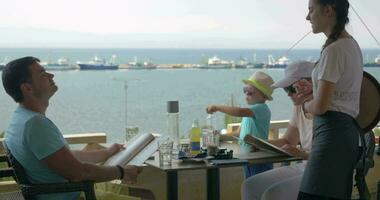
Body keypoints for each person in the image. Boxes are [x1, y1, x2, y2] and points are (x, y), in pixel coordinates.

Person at [2, 57, 143, 200]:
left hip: (63, 191)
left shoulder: (20, 118)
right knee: (146, 196)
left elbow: (64, 158)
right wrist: (122, 172)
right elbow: (78, 173)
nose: (51, 75)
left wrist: (107, 152)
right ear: (27, 88)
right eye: (43, 74)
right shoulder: (35, 125)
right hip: (71, 195)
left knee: (143, 193)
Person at [296, 0, 363, 199]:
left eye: (310, 10)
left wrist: (304, 106)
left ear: (328, 10)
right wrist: (315, 87)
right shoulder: (352, 45)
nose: (308, 17)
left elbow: (322, 106)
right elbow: (342, 90)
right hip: (346, 138)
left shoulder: (333, 50)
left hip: (331, 140)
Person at [241, 61, 315, 200]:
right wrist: (260, 143)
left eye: (292, 89)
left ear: (309, 85)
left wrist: (301, 153)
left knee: (272, 195)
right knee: (250, 185)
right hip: (305, 166)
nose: (289, 95)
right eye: (286, 90)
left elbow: (332, 156)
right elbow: (288, 141)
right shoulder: (299, 107)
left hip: (322, 171)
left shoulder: (327, 109)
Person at [206, 71, 274, 178]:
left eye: (250, 92)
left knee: (258, 187)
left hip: (260, 158)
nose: (246, 95)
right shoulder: (250, 112)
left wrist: (217, 107)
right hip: (249, 157)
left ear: (264, 96)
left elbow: (239, 111)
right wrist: (219, 137)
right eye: (245, 91)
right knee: (251, 186)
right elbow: (238, 133)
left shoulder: (261, 108)